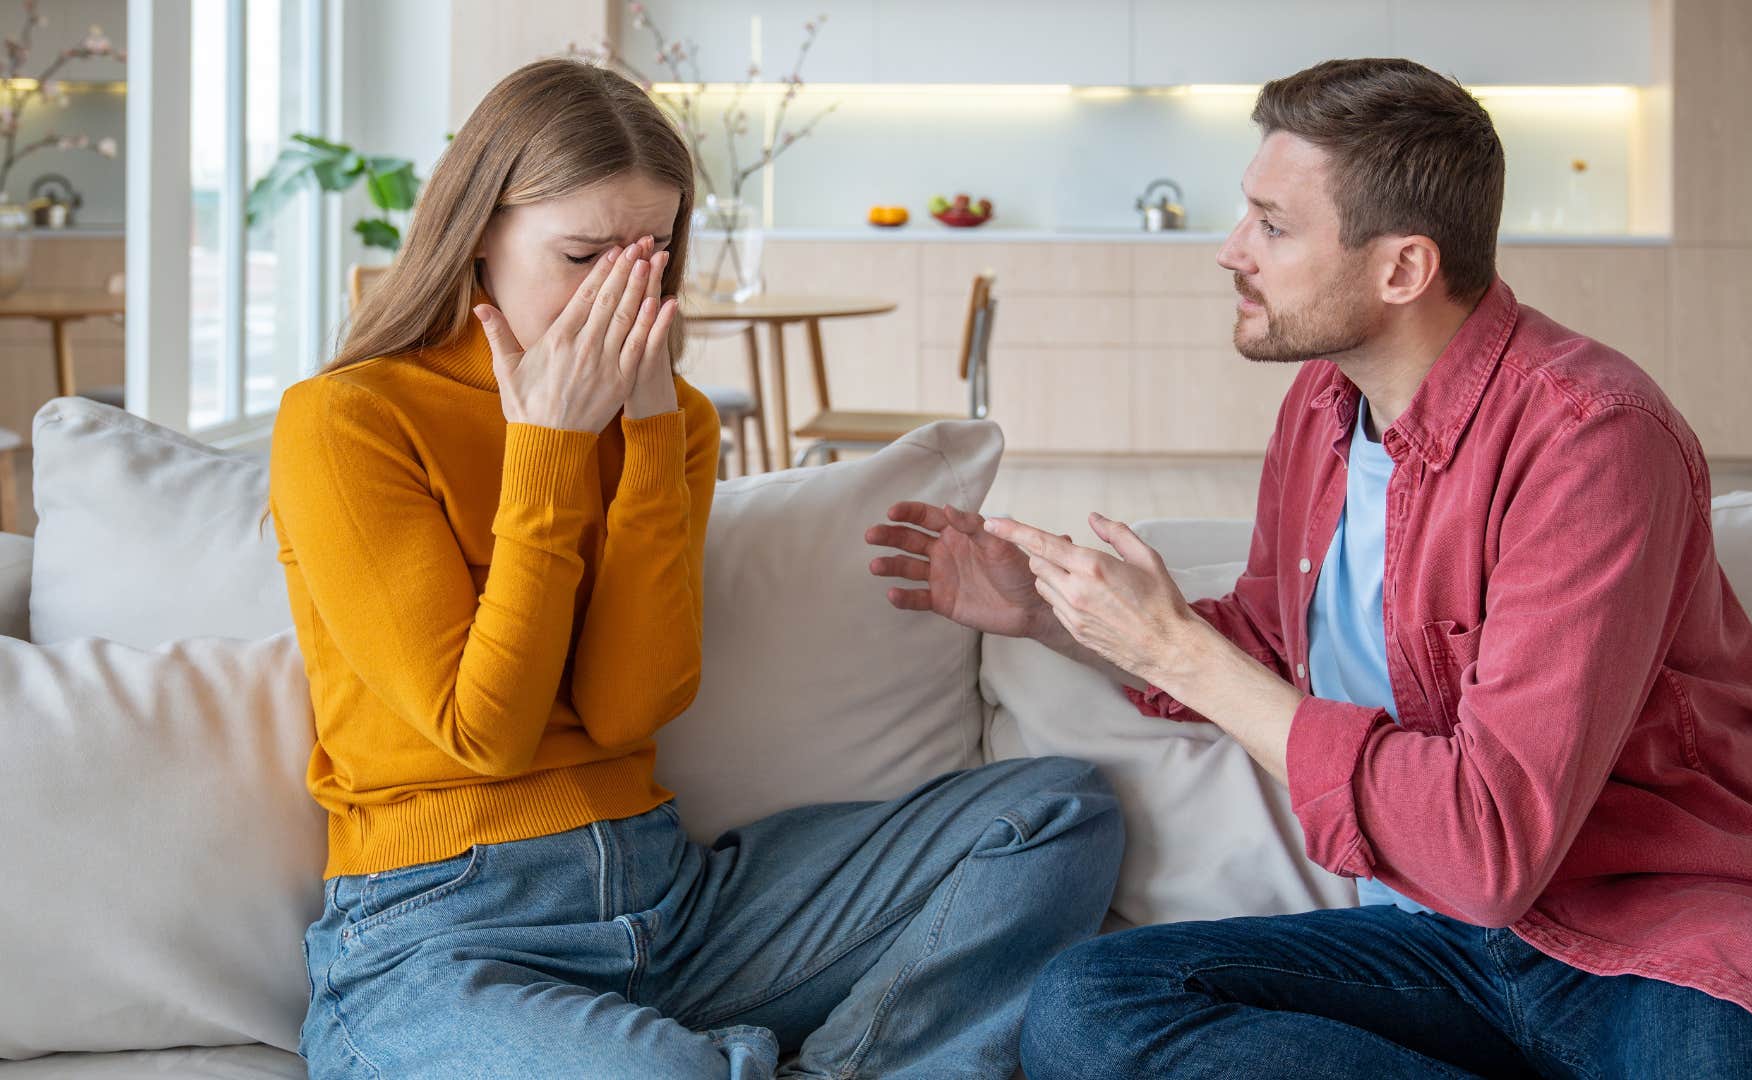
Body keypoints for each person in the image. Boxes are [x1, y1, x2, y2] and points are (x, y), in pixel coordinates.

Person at [868, 58, 1752, 1079]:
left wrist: (1178, 653)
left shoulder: (1593, 438)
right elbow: (1269, 645)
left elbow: (1488, 852)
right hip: (1440, 952)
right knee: (1092, 1003)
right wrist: (1052, 614)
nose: (1230, 253)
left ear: (1401, 270)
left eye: (1272, 225)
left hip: (1663, 943)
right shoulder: (1322, 406)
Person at [270, 57, 1123, 1080]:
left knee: (1055, 810)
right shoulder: (351, 418)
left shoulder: (673, 421)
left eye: (648, 258)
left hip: (673, 905)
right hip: (443, 937)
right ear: (479, 233)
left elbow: (629, 709)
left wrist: (638, 438)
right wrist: (545, 443)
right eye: (581, 256)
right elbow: (483, 733)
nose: (619, 300)